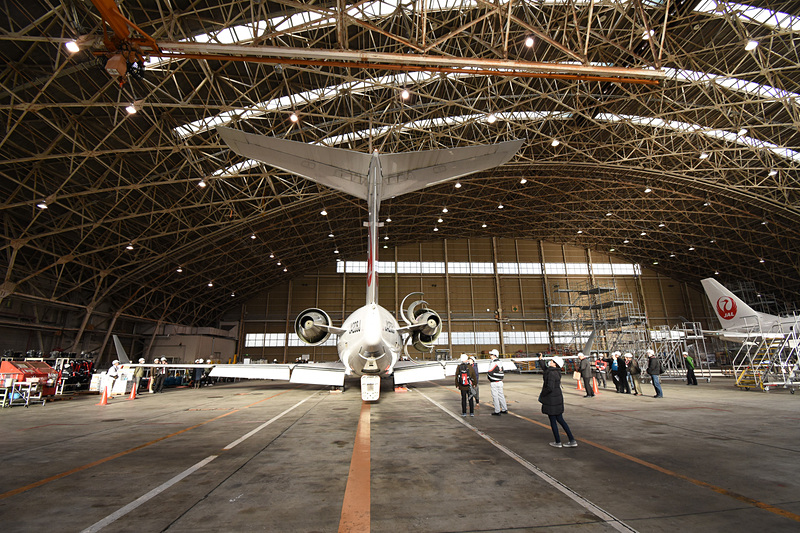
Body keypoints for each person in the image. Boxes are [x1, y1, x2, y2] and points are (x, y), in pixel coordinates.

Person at [538, 356, 577, 448]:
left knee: (553, 420)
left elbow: (549, 387)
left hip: (551, 399)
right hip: (557, 398)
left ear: (555, 363)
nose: (550, 362)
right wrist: (541, 360)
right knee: (560, 419)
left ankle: (558, 441)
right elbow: (545, 369)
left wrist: (542, 395)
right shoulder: (556, 372)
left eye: (551, 361)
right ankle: (572, 440)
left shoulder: (551, 374)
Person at [487, 349, 508, 415]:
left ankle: (497, 411)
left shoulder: (493, 363)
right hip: (500, 381)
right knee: (501, 395)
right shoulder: (500, 362)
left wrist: (490, 379)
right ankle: (504, 409)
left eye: (491, 355)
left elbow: (489, 372)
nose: (490, 356)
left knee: (495, 396)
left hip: (494, 382)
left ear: (494, 355)